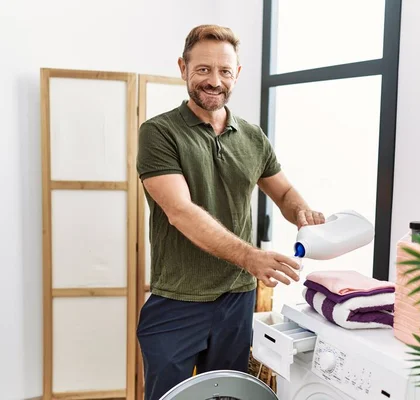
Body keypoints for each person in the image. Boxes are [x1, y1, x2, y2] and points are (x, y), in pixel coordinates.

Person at [135, 24, 325, 400]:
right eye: (203, 69)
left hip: (236, 298)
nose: (214, 81)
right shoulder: (159, 132)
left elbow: (283, 189)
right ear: (183, 68)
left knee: (227, 396)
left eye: (224, 71)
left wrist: (301, 210)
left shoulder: (253, 136)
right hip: (177, 299)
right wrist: (250, 257)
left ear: (236, 74)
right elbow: (180, 212)